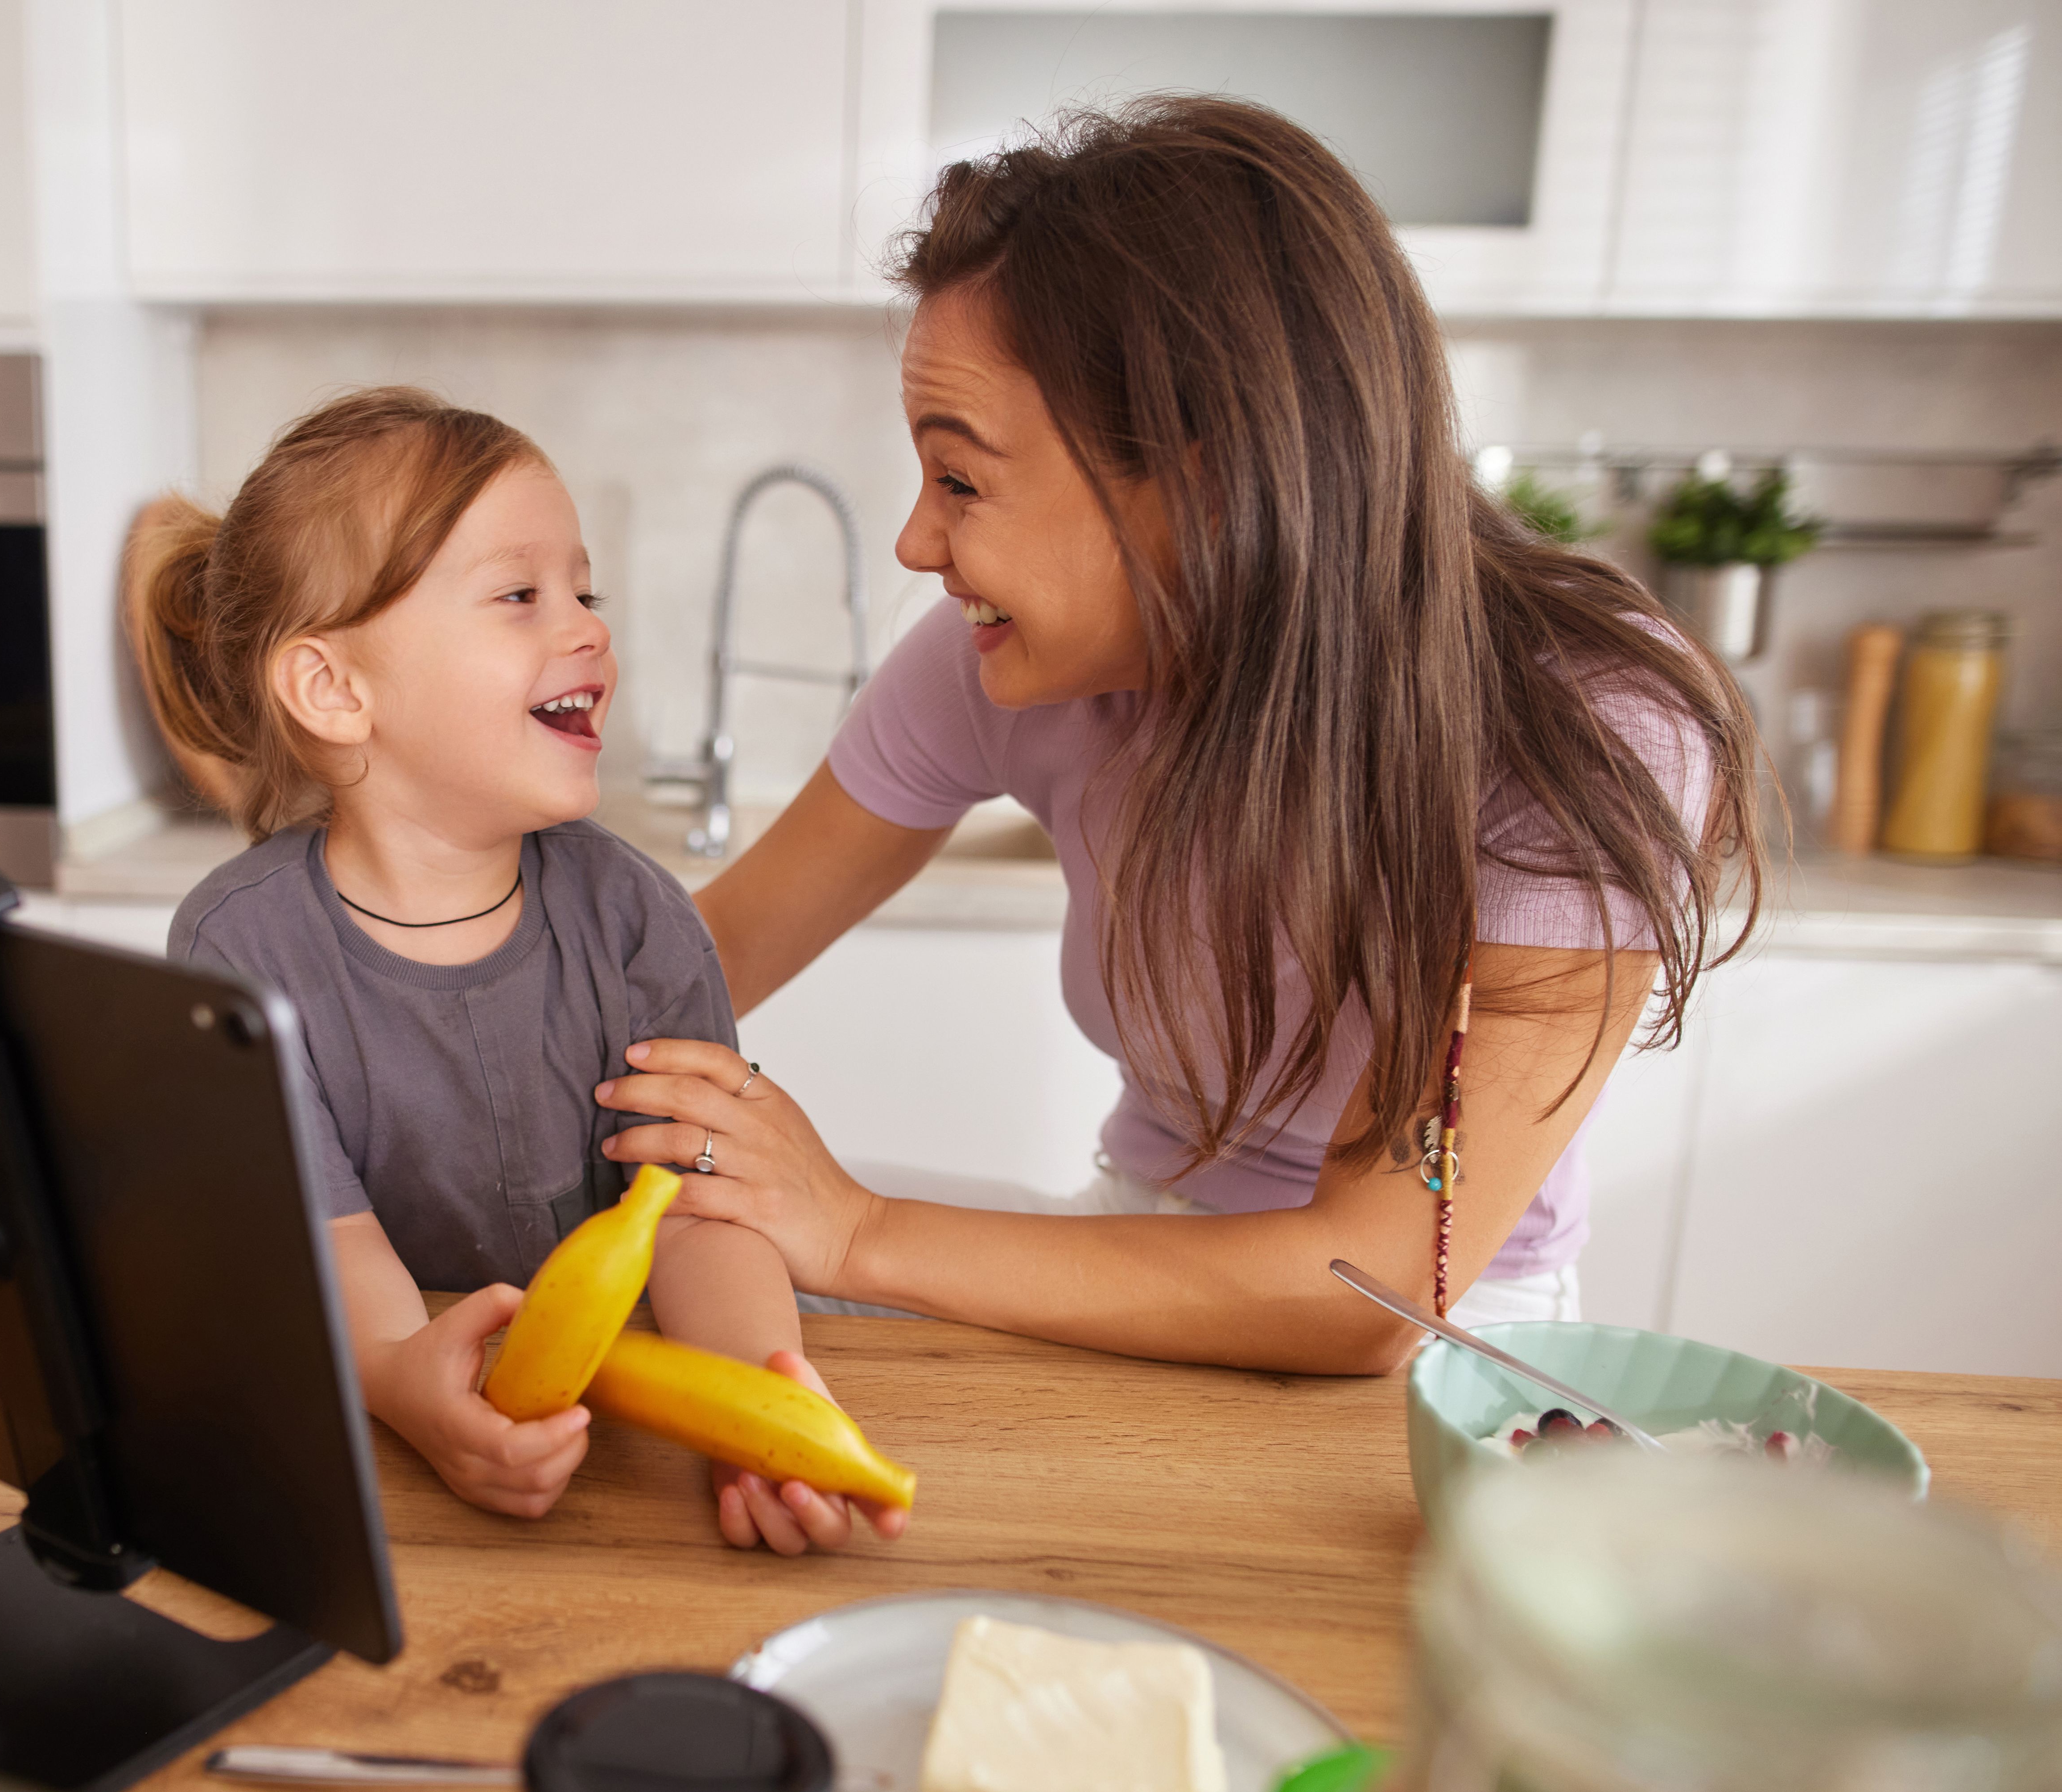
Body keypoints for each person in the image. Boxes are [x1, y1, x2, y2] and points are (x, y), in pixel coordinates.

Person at [600, 100, 1765, 1373]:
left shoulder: (1587, 724)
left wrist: (857, 1230)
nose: (918, 545)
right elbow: (698, 968)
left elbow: (1370, 1289)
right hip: (1133, 1236)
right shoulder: (998, 664)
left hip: (1445, 1341)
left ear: (1206, 478)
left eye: (963, 482)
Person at [129, 388, 907, 1553]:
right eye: (519, 596)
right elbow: (324, 1244)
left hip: (625, 1429)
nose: (589, 628)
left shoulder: (635, 918)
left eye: (584, 592)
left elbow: (701, 1207)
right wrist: (404, 1385)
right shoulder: (239, 950)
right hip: (377, 1457)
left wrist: (757, 1393)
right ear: (335, 690)